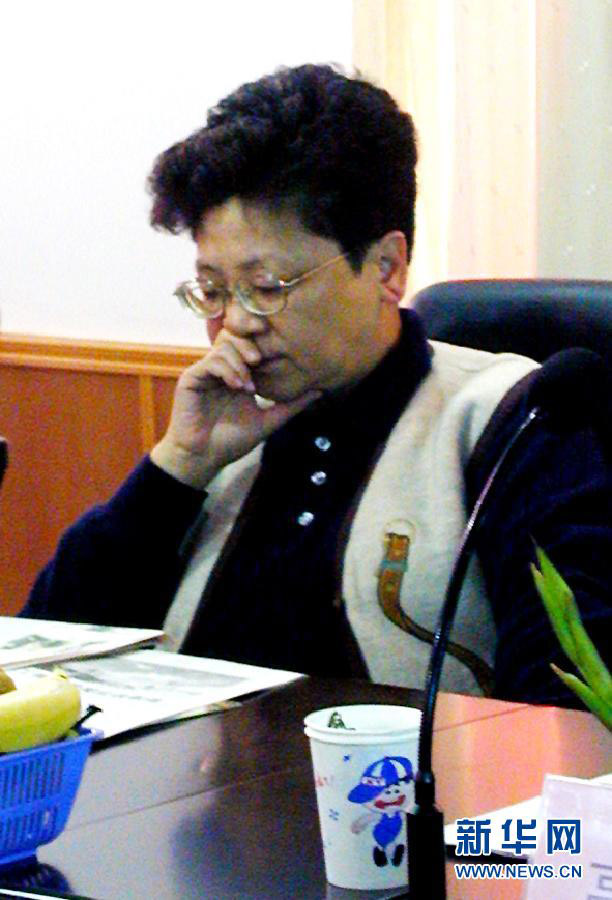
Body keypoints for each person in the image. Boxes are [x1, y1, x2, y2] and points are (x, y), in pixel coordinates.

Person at [21, 64, 611, 705]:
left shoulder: (513, 422)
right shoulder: (224, 430)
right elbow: (46, 661)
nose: (236, 323)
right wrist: (177, 469)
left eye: (267, 287)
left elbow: (570, 699)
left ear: (386, 267)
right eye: (213, 290)